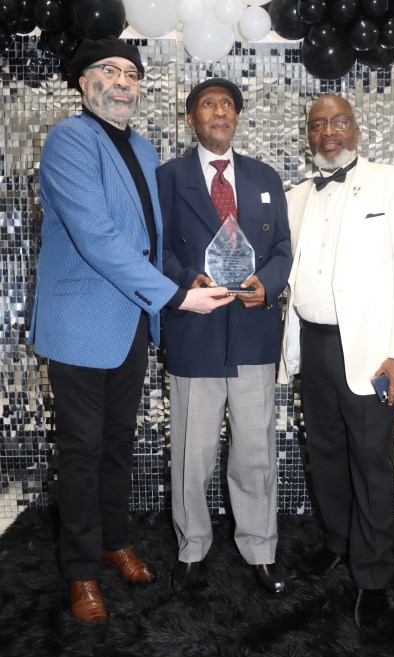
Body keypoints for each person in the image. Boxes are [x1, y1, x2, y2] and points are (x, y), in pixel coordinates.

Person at [28, 38, 233, 623]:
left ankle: (113, 540)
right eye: (110, 70)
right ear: (83, 82)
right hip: (79, 326)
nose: (124, 81)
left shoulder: (143, 149)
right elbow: (96, 237)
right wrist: (174, 297)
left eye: (132, 73)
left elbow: (149, 240)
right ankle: (80, 572)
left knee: (118, 445)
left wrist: (179, 275)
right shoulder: (69, 139)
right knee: (82, 453)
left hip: (132, 325)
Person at [278, 94, 394, 628]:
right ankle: (338, 543)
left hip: (372, 351)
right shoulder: (295, 196)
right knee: (324, 451)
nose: (329, 132)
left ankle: (372, 577)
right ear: (309, 135)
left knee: (369, 461)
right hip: (314, 344)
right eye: (318, 125)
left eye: (339, 121)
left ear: (356, 127)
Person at [156, 78, 292, 595]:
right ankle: (192, 546)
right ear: (191, 118)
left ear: (237, 117)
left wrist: (269, 283)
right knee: (192, 451)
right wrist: (184, 279)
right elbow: (158, 248)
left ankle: (260, 547)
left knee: (255, 449)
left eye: (228, 105)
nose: (219, 112)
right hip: (196, 328)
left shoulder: (265, 177)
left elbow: (281, 246)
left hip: (254, 330)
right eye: (208, 105)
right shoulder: (167, 177)